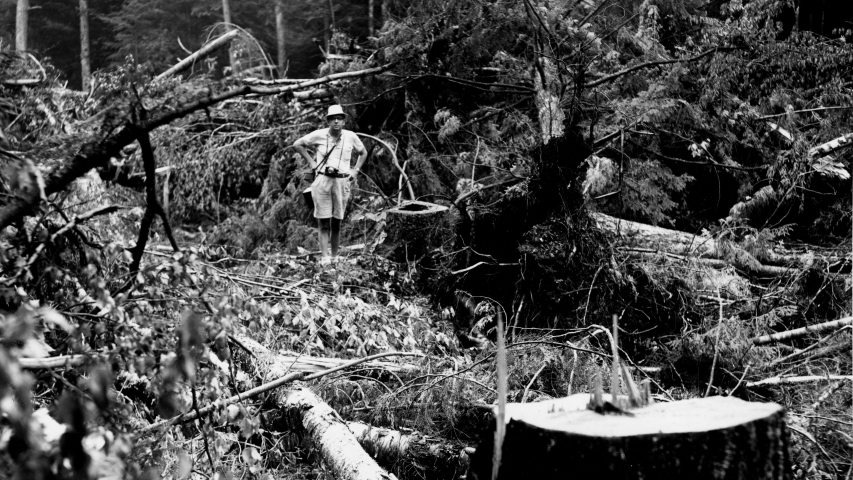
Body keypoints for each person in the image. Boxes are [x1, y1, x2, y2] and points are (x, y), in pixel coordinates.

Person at [293, 105, 367, 264]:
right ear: (328, 120)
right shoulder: (319, 135)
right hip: (322, 181)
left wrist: (356, 170)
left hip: (342, 182)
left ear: (344, 121)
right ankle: (325, 258)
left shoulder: (351, 136)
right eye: (333, 118)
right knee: (323, 221)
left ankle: (334, 257)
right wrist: (312, 162)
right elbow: (297, 144)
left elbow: (363, 152)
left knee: (337, 222)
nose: (336, 121)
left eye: (339, 118)